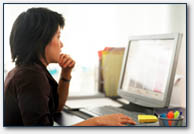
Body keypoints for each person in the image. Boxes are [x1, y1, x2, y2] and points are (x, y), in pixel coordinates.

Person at [4, 7, 136, 126]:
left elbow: (57, 107)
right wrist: (98, 121)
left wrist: (66, 73)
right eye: (58, 37)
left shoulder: (27, 70)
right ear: (41, 40)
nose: (61, 44)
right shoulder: (31, 77)